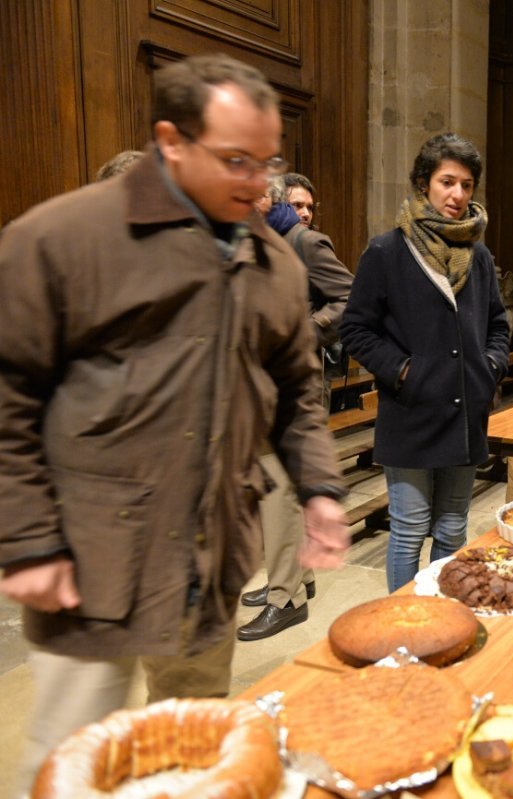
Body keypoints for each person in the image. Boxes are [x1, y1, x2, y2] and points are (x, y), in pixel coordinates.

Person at [0, 53, 349, 788]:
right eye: (235, 161)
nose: (258, 184)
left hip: (208, 555)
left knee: (192, 762)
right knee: (75, 761)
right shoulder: (64, 238)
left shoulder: (274, 263)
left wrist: (319, 487)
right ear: (171, 142)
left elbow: (295, 393)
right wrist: (28, 538)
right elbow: (14, 394)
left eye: (266, 163)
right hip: (90, 561)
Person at [340, 132, 509, 593]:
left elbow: (498, 322)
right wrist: (403, 371)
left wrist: (490, 365)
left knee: (453, 531)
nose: (457, 195)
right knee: (410, 530)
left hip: (465, 412)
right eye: (447, 182)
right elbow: (355, 328)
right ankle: (404, 629)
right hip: (411, 412)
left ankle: (443, 623)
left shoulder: (480, 256)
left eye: (467, 185)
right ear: (423, 184)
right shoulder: (387, 252)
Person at [238, 173, 354, 641]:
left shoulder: (303, 241)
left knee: (281, 486)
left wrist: (301, 333)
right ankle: (296, 577)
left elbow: (351, 297)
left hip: (295, 383)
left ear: (268, 198)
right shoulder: (260, 238)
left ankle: (284, 598)